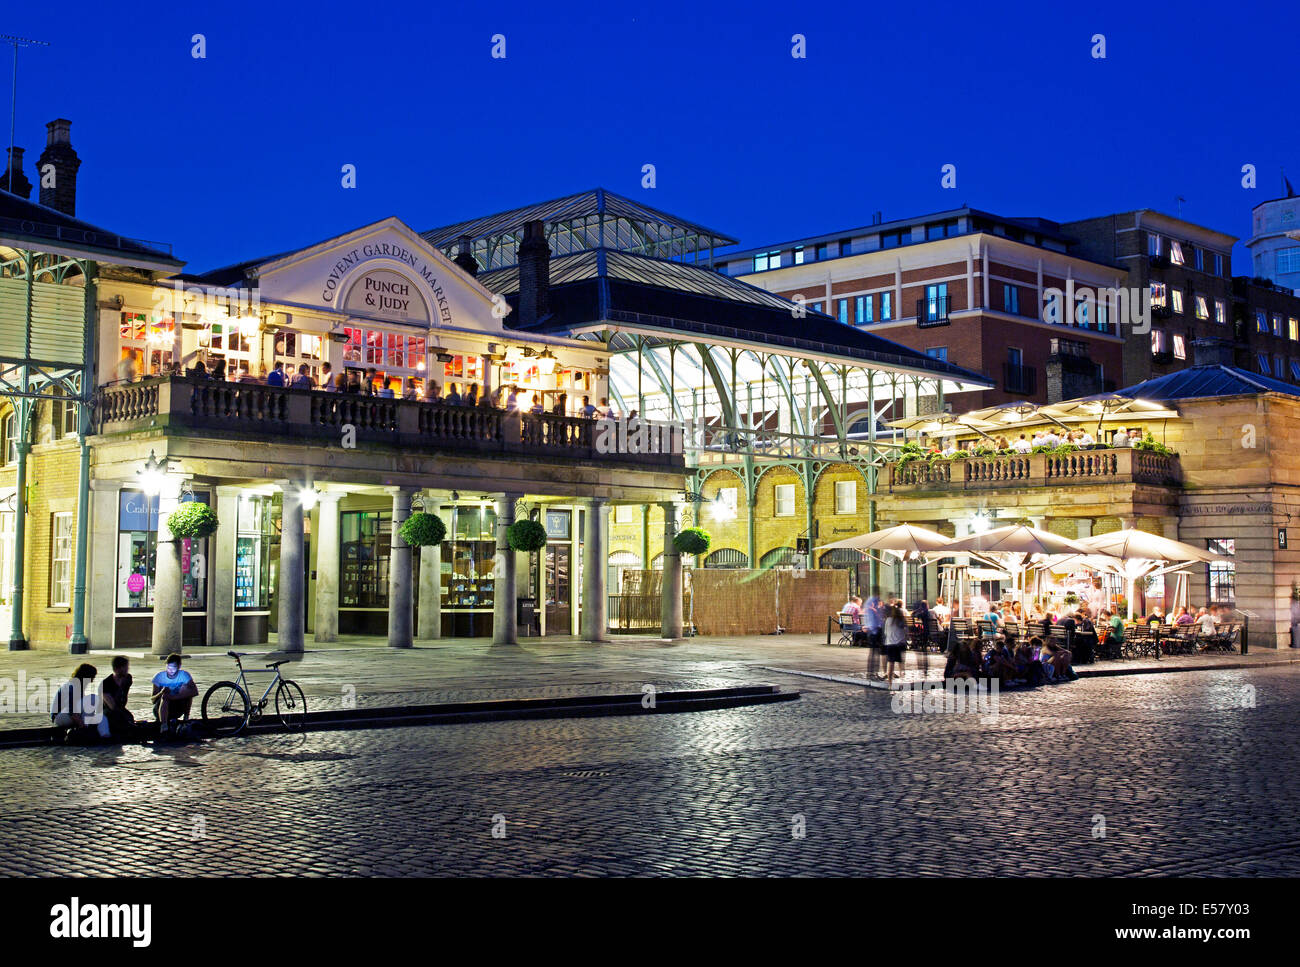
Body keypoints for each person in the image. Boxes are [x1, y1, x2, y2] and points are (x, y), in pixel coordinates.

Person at [151, 653, 198, 736]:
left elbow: (194, 691)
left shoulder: (184, 675)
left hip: (177, 706)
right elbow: (153, 699)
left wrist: (174, 697)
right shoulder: (159, 677)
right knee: (165, 696)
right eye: (168, 667)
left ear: (179, 666)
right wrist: (161, 692)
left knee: (186, 689)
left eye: (173, 668)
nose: (170, 670)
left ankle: (185, 719)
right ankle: (164, 725)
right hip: (160, 708)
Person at [51, 663, 99, 742]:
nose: (92, 681)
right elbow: (72, 710)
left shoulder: (77, 686)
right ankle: (85, 728)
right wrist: (82, 726)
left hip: (63, 715)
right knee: (92, 699)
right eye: (92, 677)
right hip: (60, 716)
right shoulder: (73, 686)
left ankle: (87, 727)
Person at [99, 655, 135, 740]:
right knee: (117, 718)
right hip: (106, 710)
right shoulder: (106, 683)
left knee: (129, 718)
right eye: (125, 667)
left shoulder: (128, 678)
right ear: (117, 669)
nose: (127, 669)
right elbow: (112, 706)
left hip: (120, 707)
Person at [882, 604, 907, 682]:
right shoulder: (901, 620)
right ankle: (902, 676)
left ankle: (890, 682)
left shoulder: (888, 620)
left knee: (891, 663)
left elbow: (885, 632)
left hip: (890, 644)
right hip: (900, 643)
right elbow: (905, 631)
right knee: (901, 662)